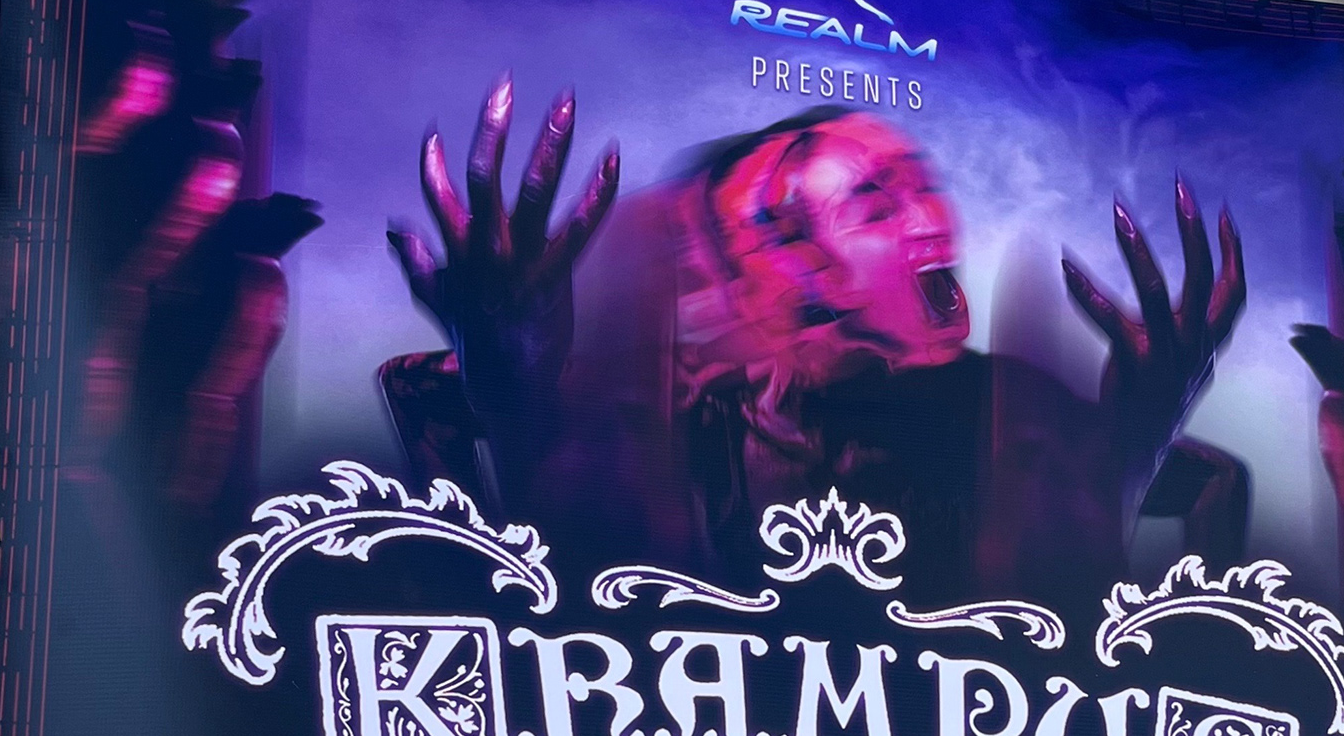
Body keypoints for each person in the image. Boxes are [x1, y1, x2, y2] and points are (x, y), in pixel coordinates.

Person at [382, 76, 1249, 615]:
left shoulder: (994, 405)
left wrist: (1135, 449)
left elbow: (1208, 479)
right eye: (875, 207)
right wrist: (508, 384)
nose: (930, 221)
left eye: (920, 187)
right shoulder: (687, 408)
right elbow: (427, 394)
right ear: (773, 278)